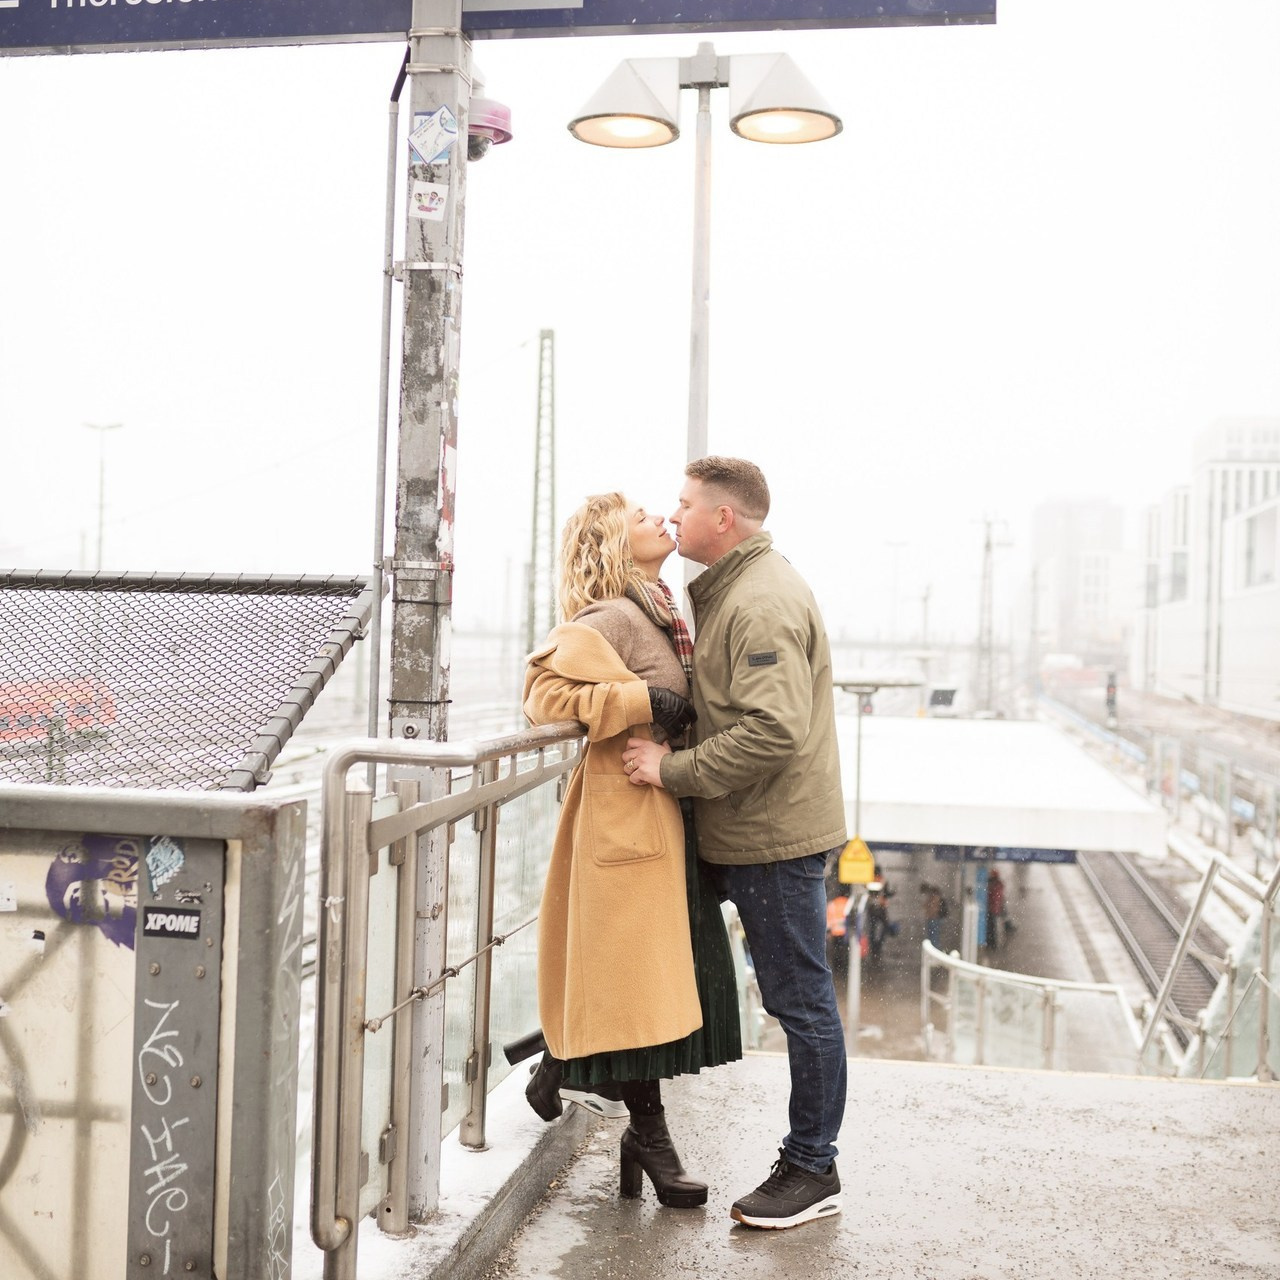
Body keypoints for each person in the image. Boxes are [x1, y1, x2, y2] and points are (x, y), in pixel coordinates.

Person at [624, 456, 847, 1231]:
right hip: (747, 828)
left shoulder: (758, 601)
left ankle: (812, 1167)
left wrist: (671, 769)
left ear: (724, 518)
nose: (673, 514)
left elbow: (773, 730)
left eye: (685, 505)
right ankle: (572, 1060)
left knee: (801, 1002)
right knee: (652, 940)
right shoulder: (733, 591)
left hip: (773, 837)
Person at [522, 491, 742, 1210]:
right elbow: (543, 695)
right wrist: (645, 705)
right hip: (624, 821)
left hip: (656, 817)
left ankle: (559, 1063)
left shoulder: (659, 608)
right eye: (643, 517)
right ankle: (649, 1139)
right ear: (614, 545)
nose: (661, 521)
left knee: (642, 982)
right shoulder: (612, 616)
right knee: (638, 985)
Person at [920, 881, 944, 950]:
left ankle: (934, 950)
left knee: (933, 937)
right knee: (933, 936)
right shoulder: (934, 898)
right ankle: (934, 949)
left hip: (933, 919)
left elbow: (931, 909)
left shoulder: (934, 898)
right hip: (933, 919)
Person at [986, 868, 1006, 950]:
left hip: (992, 909)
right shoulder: (998, 884)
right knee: (992, 926)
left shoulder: (995, 885)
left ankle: (992, 943)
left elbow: (995, 898)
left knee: (992, 926)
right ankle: (992, 943)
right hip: (994, 909)